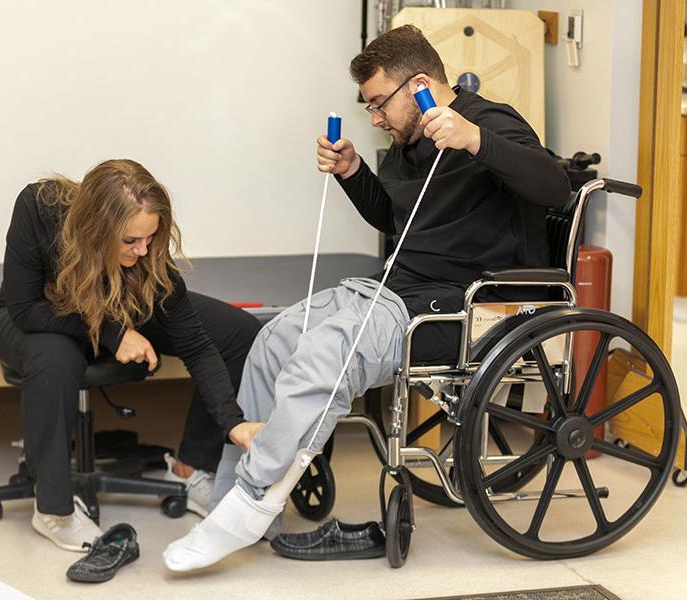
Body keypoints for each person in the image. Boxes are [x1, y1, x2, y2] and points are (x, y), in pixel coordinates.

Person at [163, 24, 570, 570]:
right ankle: (241, 503)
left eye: (379, 104)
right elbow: (398, 222)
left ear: (420, 84)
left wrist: (475, 140)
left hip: (465, 305)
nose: (374, 118)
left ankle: (250, 504)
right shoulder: (407, 146)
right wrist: (353, 172)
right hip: (393, 292)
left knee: (323, 360)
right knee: (273, 342)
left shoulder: (490, 122)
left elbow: (555, 188)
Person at [0, 159, 263, 552]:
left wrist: (234, 424)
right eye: (131, 241)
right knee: (56, 357)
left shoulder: (142, 259)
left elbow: (198, 346)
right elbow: (26, 308)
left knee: (238, 333)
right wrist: (114, 334)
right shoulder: (39, 205)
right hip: (37, 316)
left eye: (150, 239)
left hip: (116, 305)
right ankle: (53, 510)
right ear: (96, 229)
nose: (144, 249)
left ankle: (190, 467)